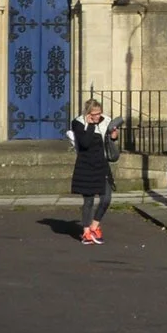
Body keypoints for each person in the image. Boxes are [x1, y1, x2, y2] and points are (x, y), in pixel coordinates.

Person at [66, 102, 119, 245]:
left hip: (102, 165)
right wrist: (90, 125)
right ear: (88, 113)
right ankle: (86, 232)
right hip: (86, 166)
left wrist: (113, 137)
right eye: (94, 114)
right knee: (88, 201)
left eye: (99, 113)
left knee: (106, 198)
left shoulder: (106, 121)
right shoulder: (78, 123)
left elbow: (107, 142)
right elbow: (84, 143)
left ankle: (94, 226)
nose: (98, 116)